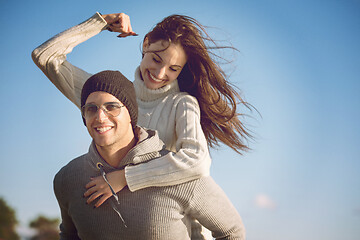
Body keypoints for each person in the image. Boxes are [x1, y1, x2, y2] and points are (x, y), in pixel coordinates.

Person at [32, 12, 252, 239]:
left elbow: (197, 160)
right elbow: (45, 57)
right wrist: (100, 23)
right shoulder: (108, 99)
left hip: (179, 226)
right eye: (156, 59)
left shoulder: (181, 104)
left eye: (173, 69)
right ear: (145, 43)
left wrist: (125, 177)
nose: (160, 73)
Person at [53, 70, 245, 239]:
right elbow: (69, 236)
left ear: (131, 114)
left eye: (111, 107)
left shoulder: (177, 172)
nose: (100, 117)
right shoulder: (67, 179)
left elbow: (232, 231)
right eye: (91, 109)